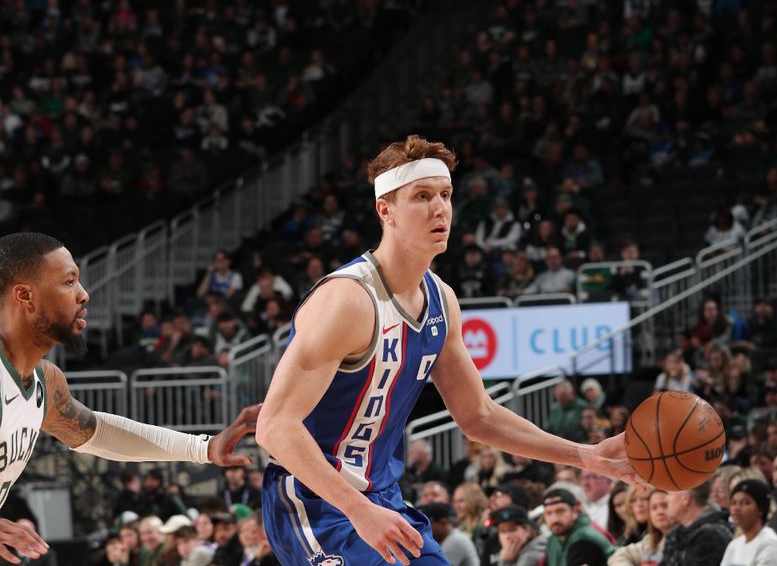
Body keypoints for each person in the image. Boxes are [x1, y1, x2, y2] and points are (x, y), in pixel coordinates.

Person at [255, 136, 642, 566]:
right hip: (313, 499)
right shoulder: (347, 300)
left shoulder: (442, 300)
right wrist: (357, 508)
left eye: (445, 195)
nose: (440, 208)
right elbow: (274, 427)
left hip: (380, 496)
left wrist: (584, 455)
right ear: (386, 210)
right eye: (422, 197)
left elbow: (479, 416)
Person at [0, 232, 261, 564]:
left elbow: (97, 432)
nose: (84, 295)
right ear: (25, 295)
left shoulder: (44, 381)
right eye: (69, 282)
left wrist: (203, 448)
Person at [662, 480, 733, 565]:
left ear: (686, 498)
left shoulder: (710, 537)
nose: (665, 500)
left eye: (670, 493)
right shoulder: (675, 534)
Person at [541, 488, 615, 566]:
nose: (554, 519)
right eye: (548, 513)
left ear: (575, 512)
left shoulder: (584, 540)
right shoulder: (553, 540)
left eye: (560, 511)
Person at [720, 479, 777, 565]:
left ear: (760, 509)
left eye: (745, 503)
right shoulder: (734, 545)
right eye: (734, 503)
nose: (736, 508)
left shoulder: (770, 543)